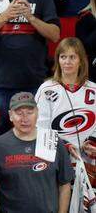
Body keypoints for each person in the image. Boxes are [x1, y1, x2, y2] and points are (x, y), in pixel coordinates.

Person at [0, 92, 74, 212]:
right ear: (10, 115)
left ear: (37, 112)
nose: (24, 118)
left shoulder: (54, 141)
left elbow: (65, 184)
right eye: (19, 113)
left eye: (30, 112)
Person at [35, 38, 96, 185]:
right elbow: (40, 128)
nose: (67, 61)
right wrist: (64, 146)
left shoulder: (93, 89)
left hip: (89, 160)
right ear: (58, 60)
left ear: (81, 61)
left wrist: (93, 141)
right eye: (63, 57)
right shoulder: (47, 89)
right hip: (58, 158)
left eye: (72, 57)